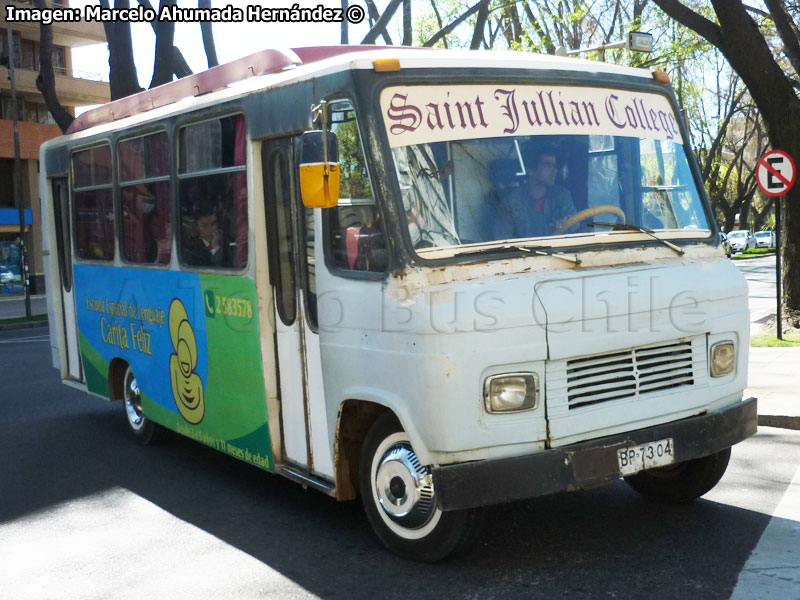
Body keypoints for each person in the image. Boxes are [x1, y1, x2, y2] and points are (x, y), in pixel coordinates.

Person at [489, 144, 577, 239]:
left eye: (554, 166)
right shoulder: (511, 203)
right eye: (548, 165)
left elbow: (576, 225)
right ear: (530, 170)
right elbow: (503, 240)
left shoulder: (562, 195)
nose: (554, 171)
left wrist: (569, 222)